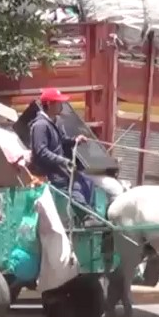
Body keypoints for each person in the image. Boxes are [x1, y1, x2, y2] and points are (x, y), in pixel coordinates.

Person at [29, 88, 102, 227]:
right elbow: (41, 151)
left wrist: (75, 140)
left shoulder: (54, 122)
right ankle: (85, 217)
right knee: (72, 187)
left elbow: (61, 140)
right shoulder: (40, 125)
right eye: (58, 103)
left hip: (58, 169)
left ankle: (89, 215)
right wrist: (63, 161)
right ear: (49, 104)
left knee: (87, 182)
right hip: (49, 173)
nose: (61, 105)